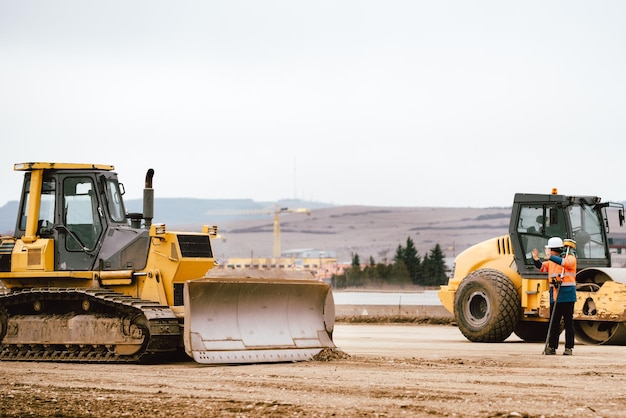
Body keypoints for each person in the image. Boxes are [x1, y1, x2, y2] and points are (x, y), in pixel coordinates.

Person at [532, 237, 577, 355]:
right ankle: (552, 346)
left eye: (549, 249)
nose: (548, 251)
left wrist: (550, 257)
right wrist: (536, 260)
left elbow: (565, 263)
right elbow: (542, 267)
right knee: (554, 322)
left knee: (568, 322)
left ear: (554, 250)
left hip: (567, 295)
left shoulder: (570, 258)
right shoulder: (551, 262)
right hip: (555, 295)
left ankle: (569, 347)